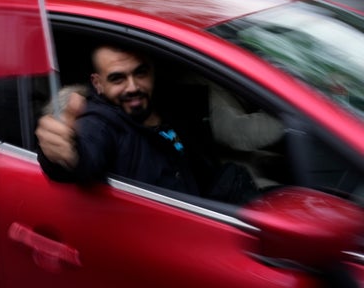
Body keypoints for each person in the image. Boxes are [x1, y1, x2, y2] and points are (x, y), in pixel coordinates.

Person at [36, 44, 258, 203]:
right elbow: (85, 154)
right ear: (98, 83)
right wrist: (63, 156)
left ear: (152, 72)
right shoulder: (101, 121)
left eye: (140, 73)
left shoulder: (167, 103)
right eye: (117, 78)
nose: (133, 86)